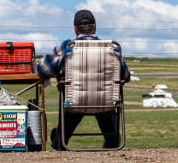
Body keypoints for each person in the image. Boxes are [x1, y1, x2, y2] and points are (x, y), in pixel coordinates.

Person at [36, 9, 130, 150]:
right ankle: (112, 143)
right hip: (106, 104)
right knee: (105, 107)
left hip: (73, 103)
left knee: (72, 106)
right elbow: (125, 77)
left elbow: (42, 70)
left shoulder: (67, 47)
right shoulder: (111, 48)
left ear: (75, 29)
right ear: (95, 27)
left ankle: (59, 142)